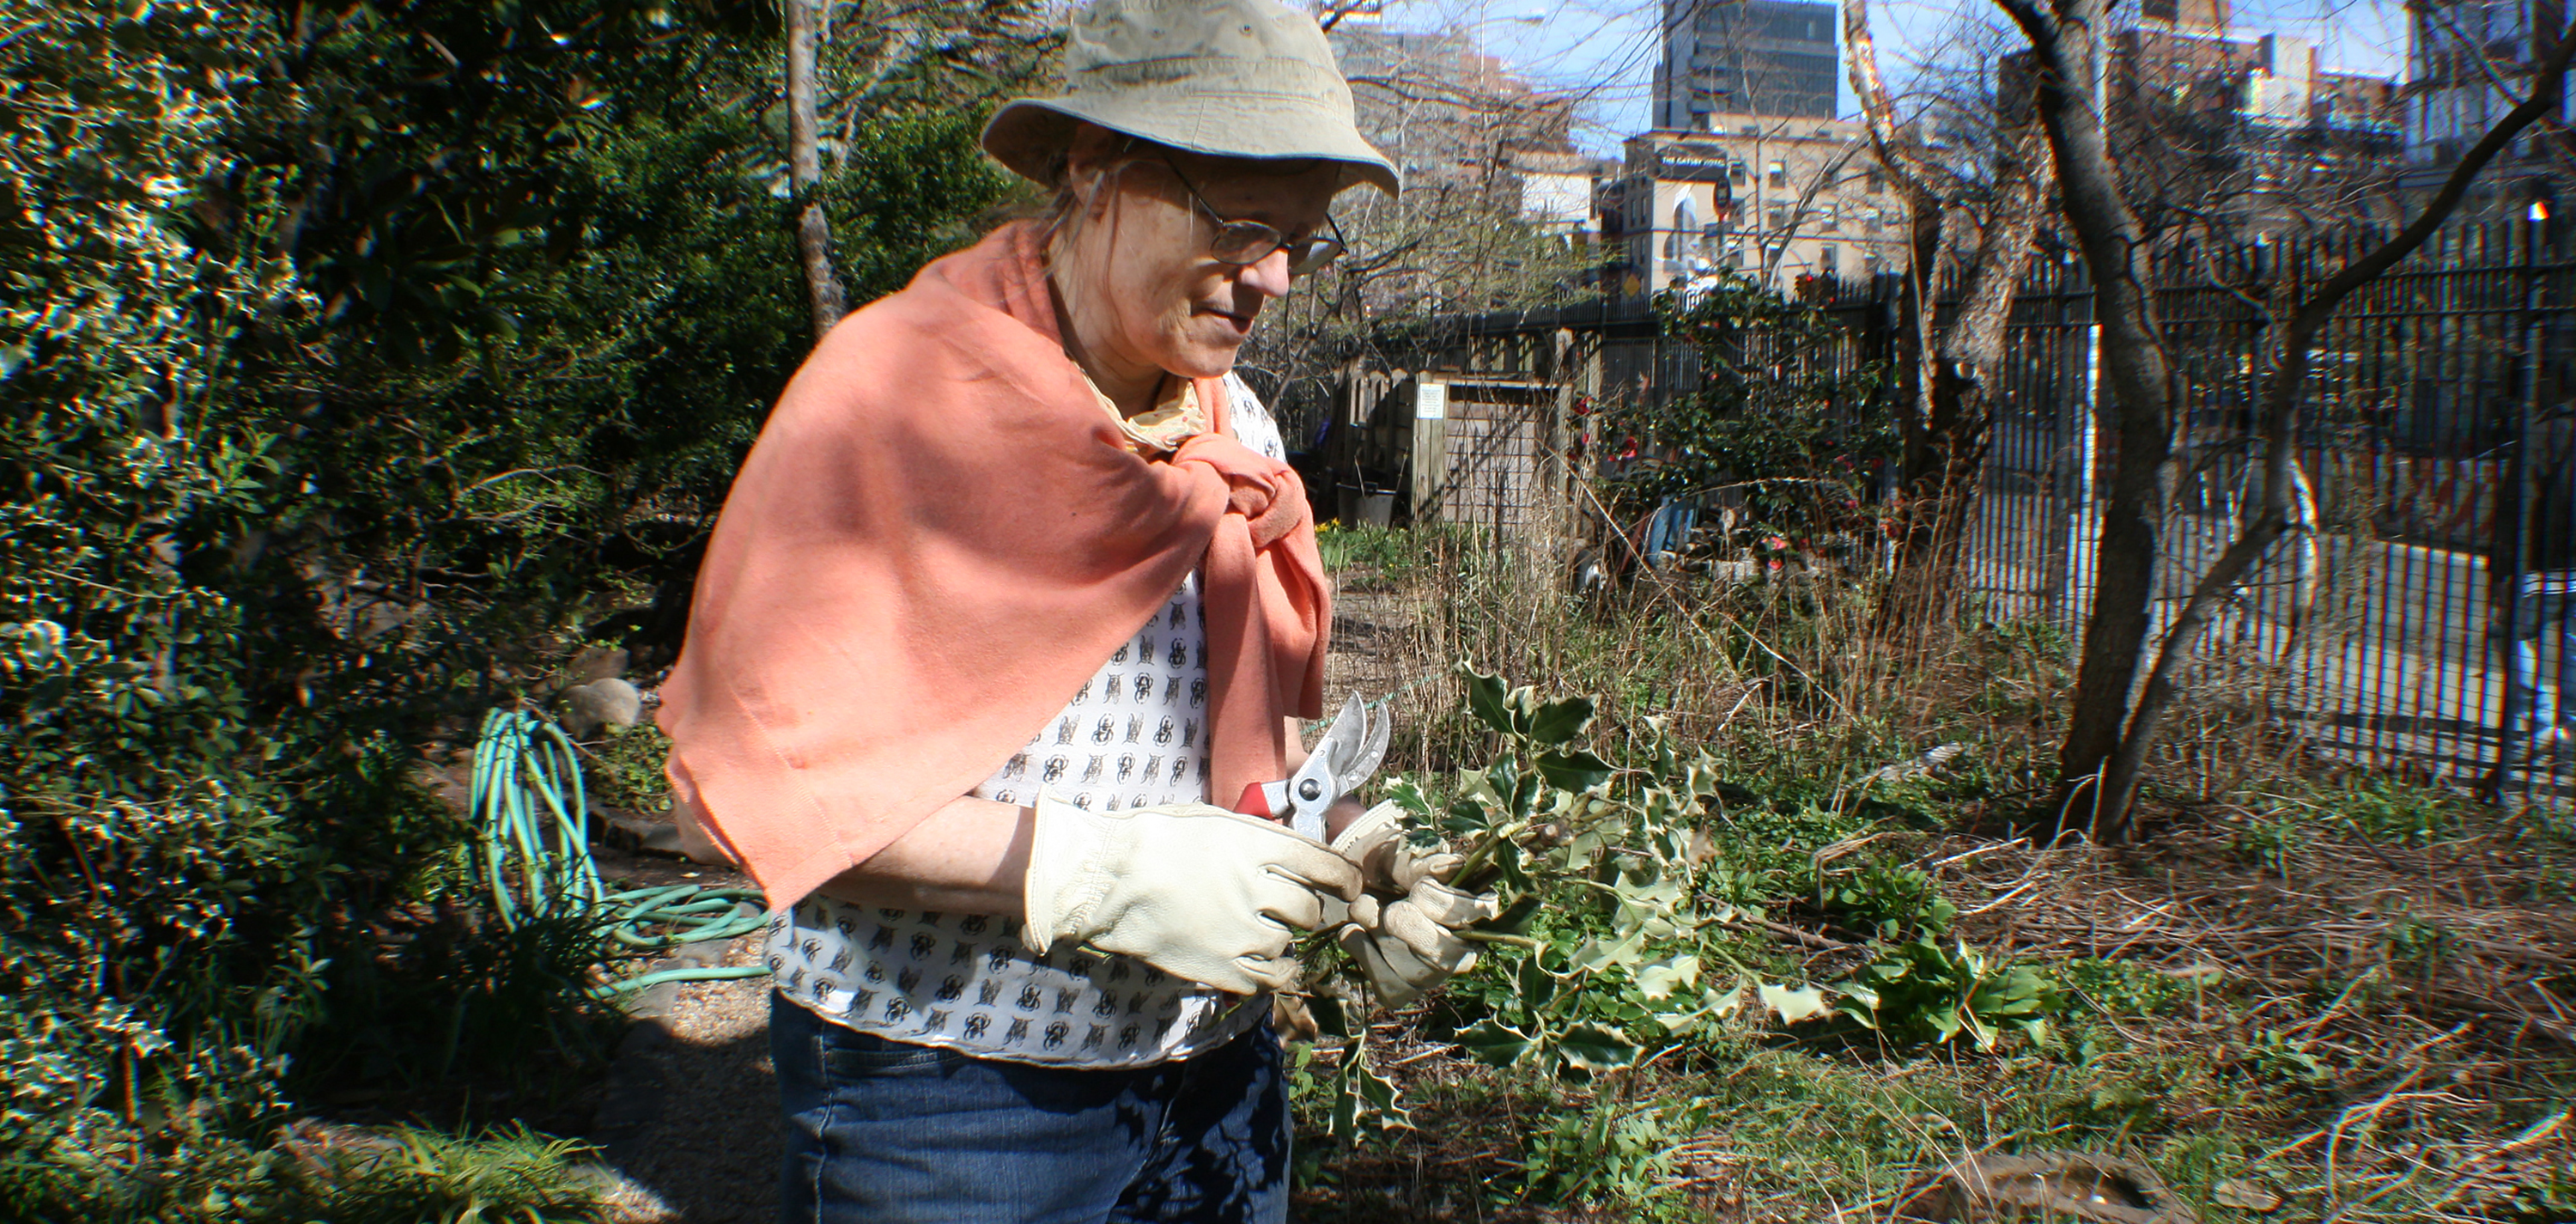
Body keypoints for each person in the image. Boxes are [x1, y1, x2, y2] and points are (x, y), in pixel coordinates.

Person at [653, 3, 1492, 1220]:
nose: (1270, 274)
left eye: (1300, 239)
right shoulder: (893, 406)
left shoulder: (1232, 429)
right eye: (1240, 217)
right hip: (952, 1099)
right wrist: (1090, 872)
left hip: (1213, 1081)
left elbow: (1247, 756)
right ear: (1094, 168)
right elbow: (740, 801)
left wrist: (1351, 847)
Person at [2491, 409, 2576, 782]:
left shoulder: (2549, 430)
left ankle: (2541, 719)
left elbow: (2518, 504)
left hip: (2549, 561)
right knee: (2574, 644)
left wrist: (2504, 568)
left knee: (2510, 632)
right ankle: (2571, 729)